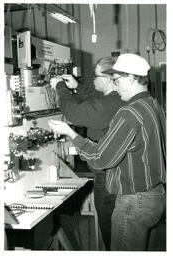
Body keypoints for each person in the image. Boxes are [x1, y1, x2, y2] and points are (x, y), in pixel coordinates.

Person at [48, 53, 166, 251]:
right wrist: (77, 86)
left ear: (130, 79)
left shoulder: (130, 113)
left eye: (117, 80)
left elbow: (100, 158)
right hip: (157, 196)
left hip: (134, 201)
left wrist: (70, 133)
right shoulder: (154, 105)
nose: (115, 85)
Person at [50, 56, 125, 250]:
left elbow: (74, 113)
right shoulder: (113, 98)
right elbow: (95, 97)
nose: (92, 79)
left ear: (110, 78)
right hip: (114, 175)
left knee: (112, 236)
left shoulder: (111, 104)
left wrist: (60, 88)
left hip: (109, 179)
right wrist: (76, 86)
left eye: (96, 75)